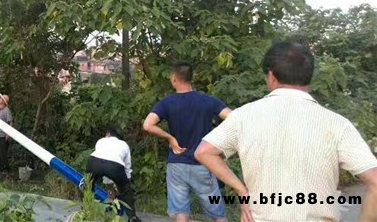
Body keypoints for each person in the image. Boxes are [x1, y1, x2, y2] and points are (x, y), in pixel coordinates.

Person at [196, 42, 377, 222]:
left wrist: (242, 191)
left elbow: (204, 152)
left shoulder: (243, 116)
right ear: (309, 75)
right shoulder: (337, 124)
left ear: (271, 76)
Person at [143, 61, 232, 222]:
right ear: (192, 78)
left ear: (174, 78)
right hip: (204, 163)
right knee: (218, 213)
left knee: (181, 212)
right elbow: (233, 119)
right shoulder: (208, 101)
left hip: (177, 163)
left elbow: (148, 125)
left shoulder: (167, 103)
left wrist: (170, 138)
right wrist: (219, 143)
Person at [86, 125, 141, 222]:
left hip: (94, 162)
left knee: (88, 186)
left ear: (108, 134)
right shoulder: (124, 145)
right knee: (126, 191)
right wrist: (125, 183)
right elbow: (127, 166)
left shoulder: (101, 141)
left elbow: (102, 159)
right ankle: (132, 217)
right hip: (114, 166)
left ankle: (86, 211)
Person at [0, 93, 12, 172]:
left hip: (3, 135)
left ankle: (5, 169)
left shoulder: (7, 110)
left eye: (0, 99)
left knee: (3, 153)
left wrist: (8, 134)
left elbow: (10, 122)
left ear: (3, 101)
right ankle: (0, 167)